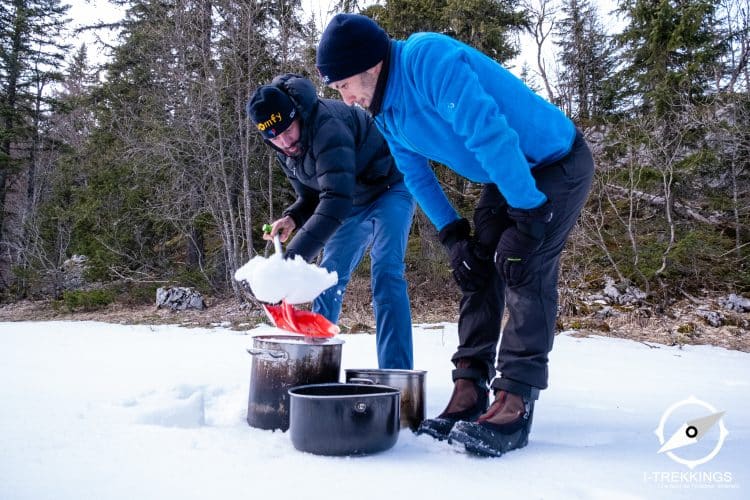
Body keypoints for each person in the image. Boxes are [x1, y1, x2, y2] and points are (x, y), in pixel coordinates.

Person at [316, 14, 595, 456]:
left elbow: (489, 132)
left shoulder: (428, 58)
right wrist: (452, 233)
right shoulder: (383, 110)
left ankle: (515, 399)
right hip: (505, 174)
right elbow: (414, 172)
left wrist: (528, 214)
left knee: (525, 266)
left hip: (554, 164)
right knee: (476, 268)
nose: (345, 98)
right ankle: (469, 389)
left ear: (369, 64)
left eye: (344, 85)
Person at [246, 74, 416, 369]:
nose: (284, 141)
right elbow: (313, 196)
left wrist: (287, 265)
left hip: (391, 185)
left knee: (387, 274)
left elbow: (335, 200)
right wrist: (294, 216)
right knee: (328, 278)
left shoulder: (327, 126)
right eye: (273, 136)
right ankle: (316, 369)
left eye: (287, 130)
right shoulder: (284, 150)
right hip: (350, 199)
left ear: (296, 114)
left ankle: (396, 376)